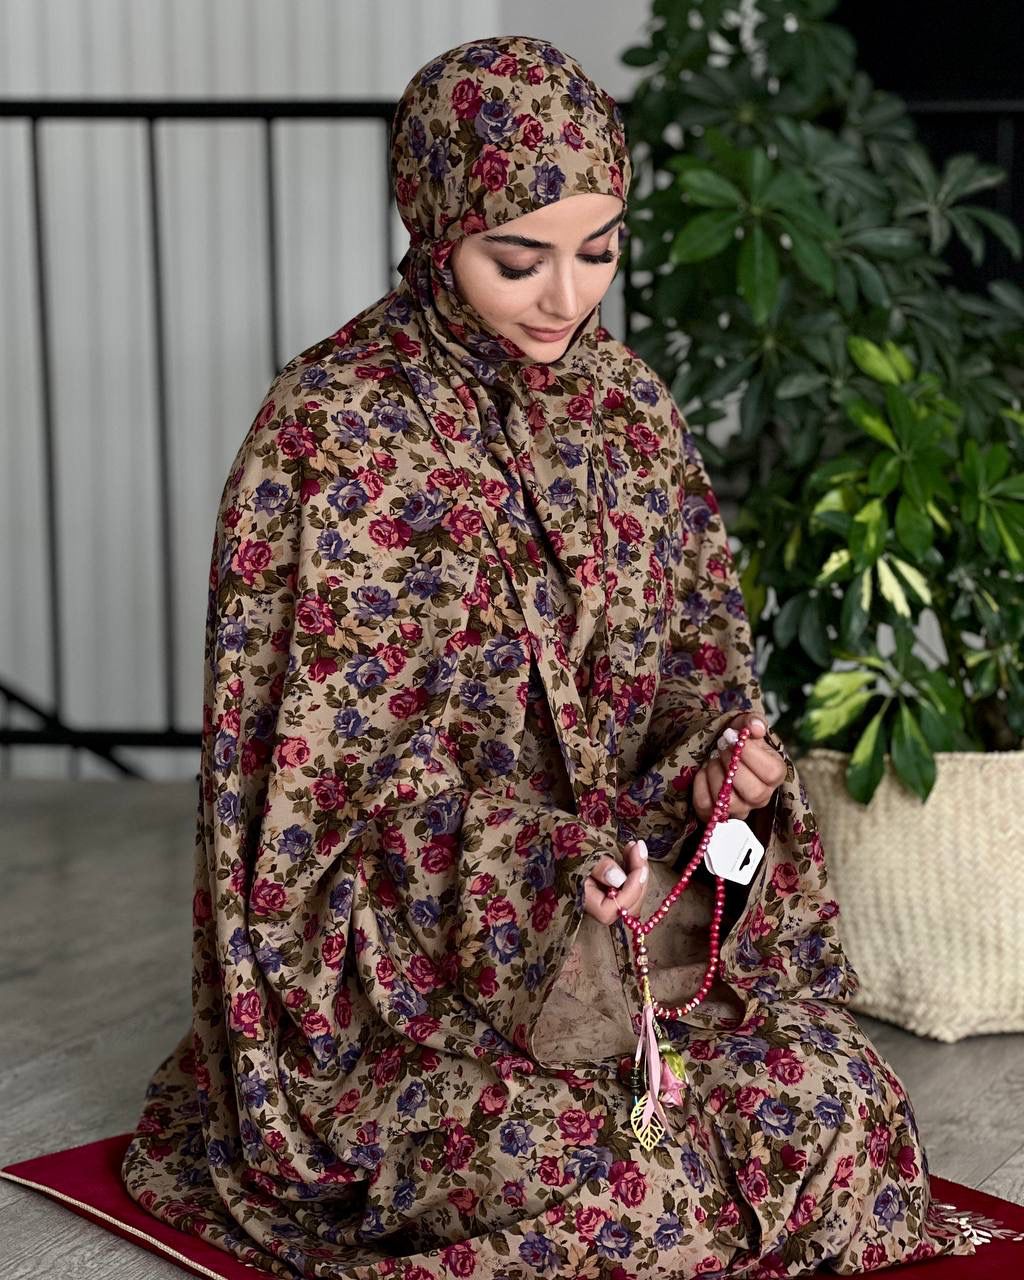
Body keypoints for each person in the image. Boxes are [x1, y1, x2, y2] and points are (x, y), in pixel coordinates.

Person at [120, 34, 975, 1278]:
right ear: (433, 225)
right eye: (517, 260)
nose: (564, 298)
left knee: (829, 1100)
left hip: (632, 948)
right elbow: (309, 818)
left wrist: (713, 768)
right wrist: (539, 862)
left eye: (600, 250)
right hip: (414, 995)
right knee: (608, 1178)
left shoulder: (628, 407)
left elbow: (695, 671)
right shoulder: (332, 432)